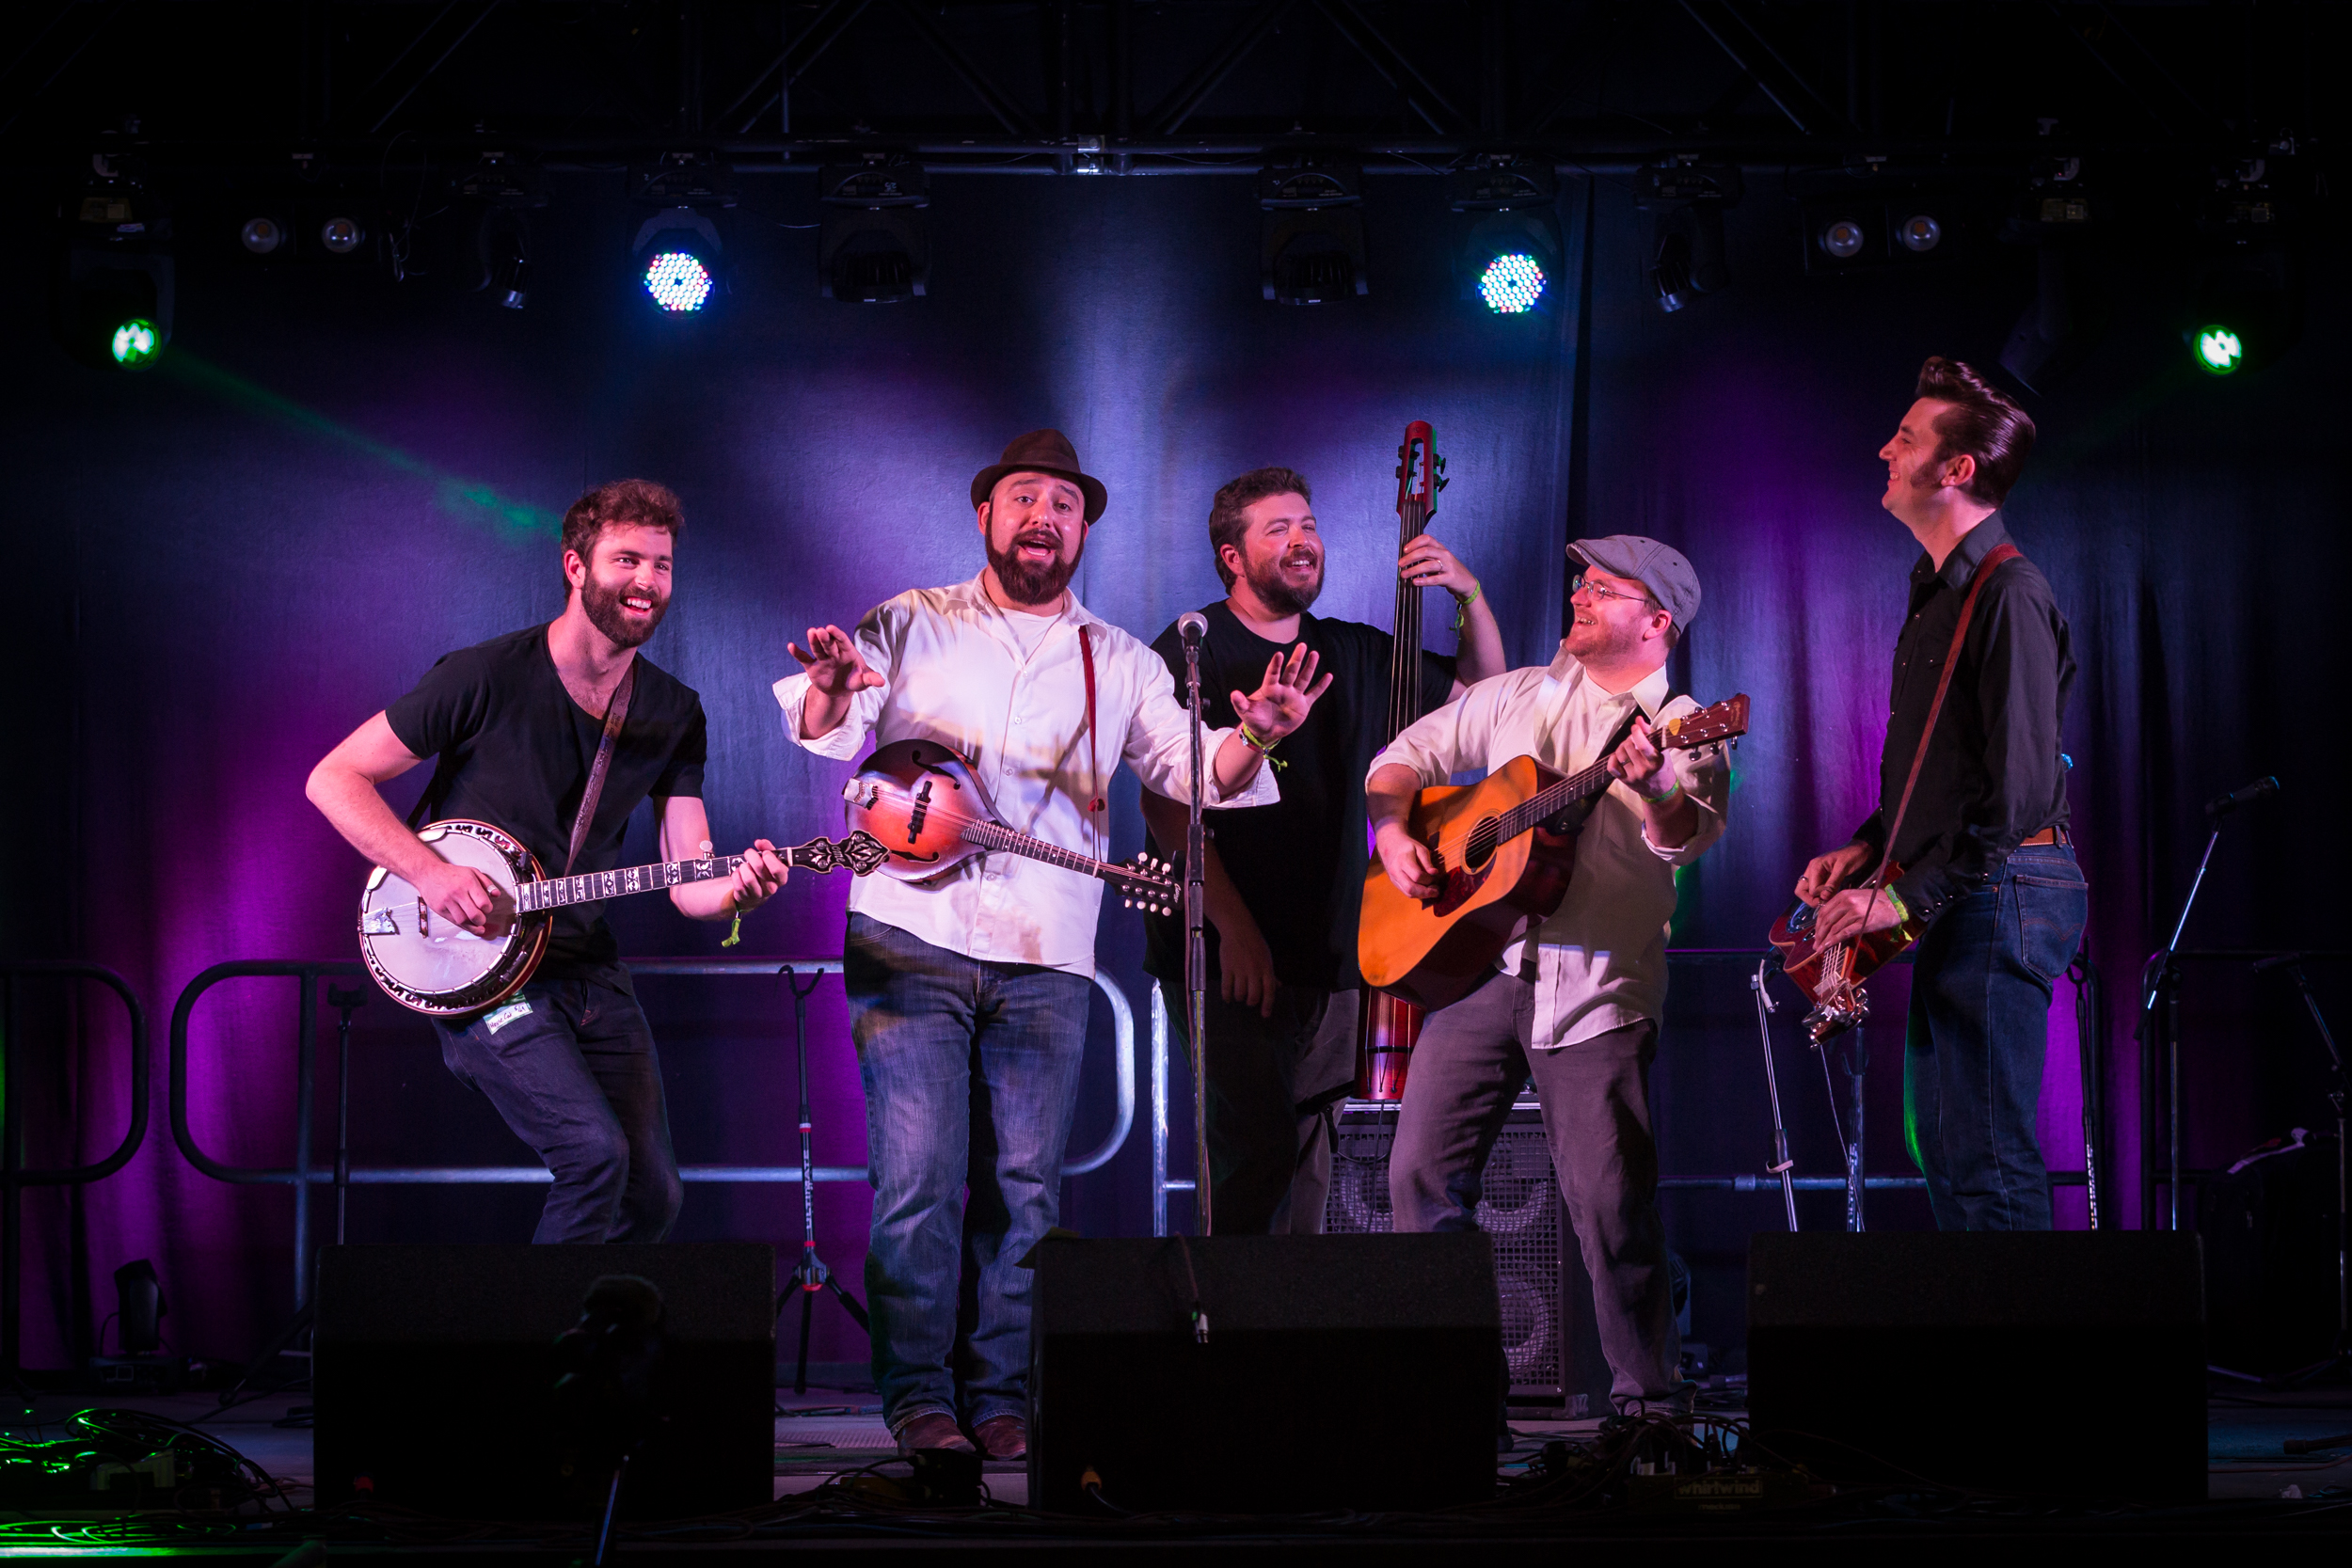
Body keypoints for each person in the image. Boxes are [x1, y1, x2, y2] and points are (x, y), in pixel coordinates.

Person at [774, 430, 1331, 1460]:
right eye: (1023, 498)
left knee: (1026, 1192)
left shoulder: (1116, 657)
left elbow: (1187, 770)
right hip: (910, 934)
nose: (1044, 517)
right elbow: (827, 721)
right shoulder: (910, 620)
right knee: (918, 1182)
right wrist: (828, 683)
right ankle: (918, 1399)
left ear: (1082, 530)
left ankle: (999, 1397)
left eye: (1064, 505)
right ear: (985, 515)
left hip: (1048, 951)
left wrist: (1258, 733)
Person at [306, 479, 789, 1244]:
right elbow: (333, 778)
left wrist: (739, 892)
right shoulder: (485, 675)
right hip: (480, 967)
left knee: (653, 1193)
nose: (647, 582)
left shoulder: (673, 711)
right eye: (627, 559)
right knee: (594, 1157)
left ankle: (591, 1353)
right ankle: (541, 1363)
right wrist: (431, 874)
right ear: (575, 566)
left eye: (662, 565)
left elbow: (690, 882)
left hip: (588, 971)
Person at [1366, 535, 1729, 1412]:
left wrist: (1660, 791)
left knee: (1610, 1212)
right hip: (1487, 973)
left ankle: (1651, 1411)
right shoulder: (1518, 694)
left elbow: (1688, 833)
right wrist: (1396, 834)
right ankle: (1464, 1405)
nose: (1581, 595)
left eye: (1604, 589)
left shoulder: (1685, 727)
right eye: (1581, 582)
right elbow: (1399, 760)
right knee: (1416, 1178)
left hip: (1597, 990)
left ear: (1658, 622)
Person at [1138, 467, 1507, 1235]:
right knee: (1255, 1161)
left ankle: (1284, 1343)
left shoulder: (1353, 650)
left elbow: (1486, 690)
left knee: (1310, 1164)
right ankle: (1226, 1340)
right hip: (1227, 956)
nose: (1303, 540)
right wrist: (1232, 931)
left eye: (1308, 524)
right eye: (1279, 529)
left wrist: (1468, 595)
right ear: (1231, 556)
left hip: (1331, 956)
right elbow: (1166, 804)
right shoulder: (1191, 648)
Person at [1798, 356, 2084, 1232]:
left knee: (1987, 1160)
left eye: (1909, 438)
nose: (1886, 447)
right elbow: (1954, 773)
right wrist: (1871, 842)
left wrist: (1899, 894)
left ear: (1956, 470)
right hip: (1971, 890)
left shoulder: (2010, 592)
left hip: (2003, 891)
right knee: (1953, 1156)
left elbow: (2021, 792)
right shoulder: (1937, 595)